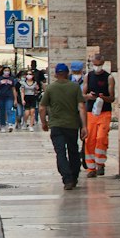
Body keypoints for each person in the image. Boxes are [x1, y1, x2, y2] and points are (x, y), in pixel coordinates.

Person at [39, 61, 87, 190]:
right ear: (67, 74)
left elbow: (42, 108)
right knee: (73, 151)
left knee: (60, 152)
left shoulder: (50, 88)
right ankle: (74, 176)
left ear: (56, 74)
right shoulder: (75, 87)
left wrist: (44, 123)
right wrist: (84, 126)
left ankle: (67, 179)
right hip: (72, 125)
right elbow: (81, 107)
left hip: (56, 125)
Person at [83, 50, 115, 177]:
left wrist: (104, 97)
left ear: (103, 63)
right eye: (95, 64)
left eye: (99, 64)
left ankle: (100, 164)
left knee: (101, 138)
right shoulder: (88, 76)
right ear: (92, 64)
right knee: (90, 139)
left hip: (105, 112)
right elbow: (83, 95)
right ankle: (91, 168)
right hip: (91, 112)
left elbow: (112, 97)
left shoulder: (109, 77)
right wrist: (89, 97)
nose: (97, 67)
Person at [0, 65, 19, 133]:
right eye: (5, 70)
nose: (7, 72)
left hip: (9, 97)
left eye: (8, 71)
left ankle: (10, 124)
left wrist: (15, 99)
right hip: (0, 97)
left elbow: (13, 89)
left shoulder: (11, 79)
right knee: (2, 111)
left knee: (9, 109)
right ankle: (2, 124)